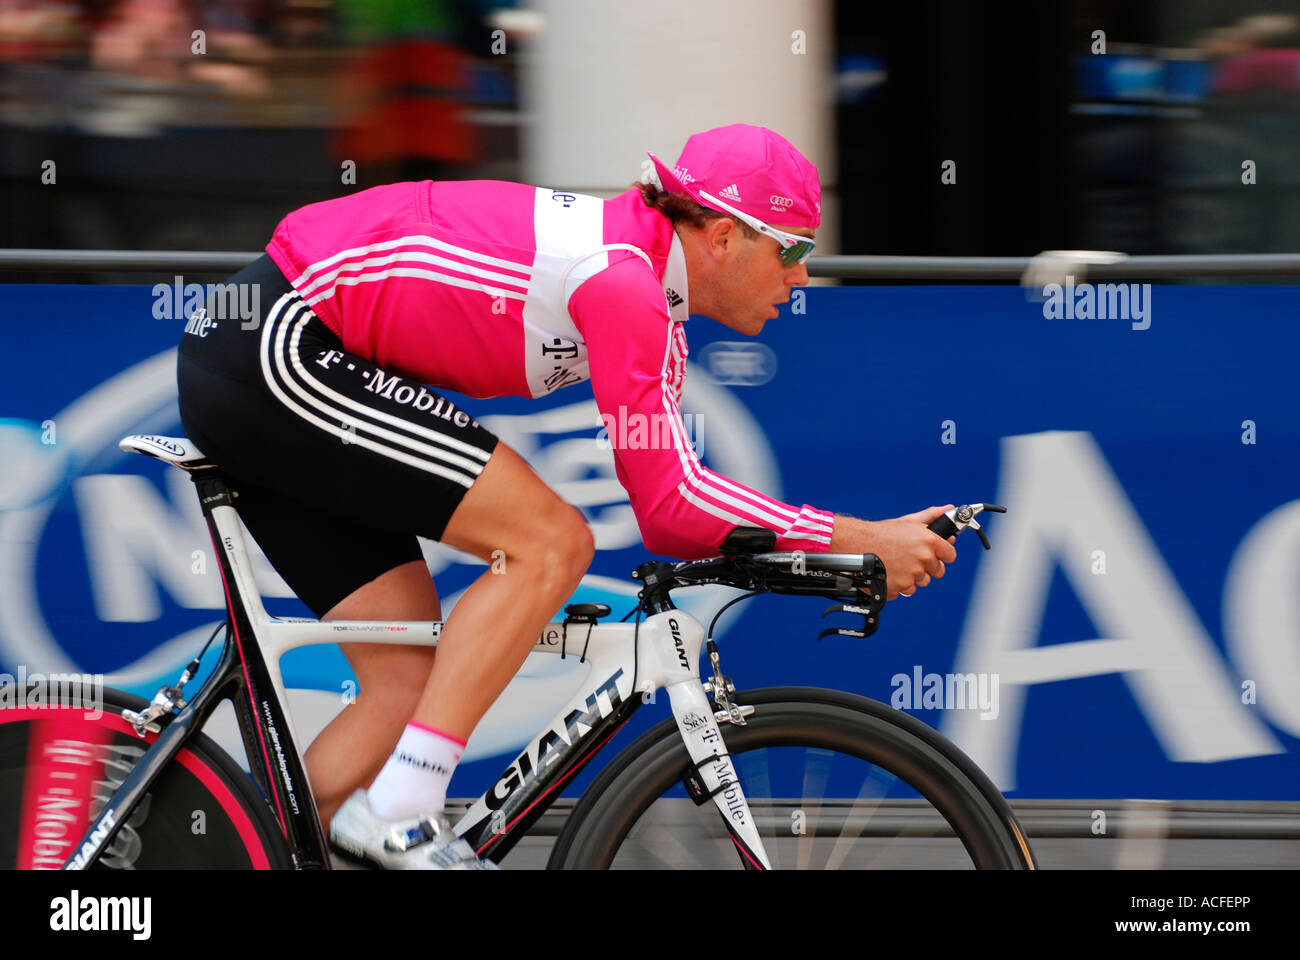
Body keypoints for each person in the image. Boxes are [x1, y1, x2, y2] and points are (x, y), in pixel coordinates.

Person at [175, 123, 957, 870]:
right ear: (723, 236)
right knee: (550, 544)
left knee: (404, 680)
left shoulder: (652, 297)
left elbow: (672, 498)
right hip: (278, 345)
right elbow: (672, 509)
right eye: (793, 249)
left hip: (272, 353)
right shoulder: (622, 279)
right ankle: (400, 810)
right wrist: (859, 538)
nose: (803, 276)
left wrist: (840, 546)